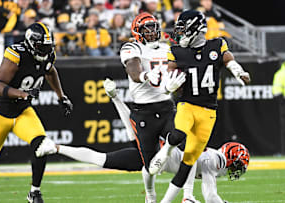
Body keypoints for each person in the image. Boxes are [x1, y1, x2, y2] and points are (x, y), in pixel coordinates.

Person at [37, 78, 250, 203]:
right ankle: (152, 195)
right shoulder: (216, 161)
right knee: (130, 148)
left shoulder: (212, 156)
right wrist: (189, 195)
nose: (235, 171)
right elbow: (210, 194)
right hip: (160, 153)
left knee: (106, 156)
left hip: (157, 155)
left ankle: (56, 147)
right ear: (230, 158)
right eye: (237, 166)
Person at [148, 10, 251, 203]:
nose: (178, 34)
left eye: (182, 29)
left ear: (195, 28)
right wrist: (168, 86)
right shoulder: (176, 51)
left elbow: (228, 58)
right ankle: (165, 151)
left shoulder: (217, 45)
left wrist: (237, 70)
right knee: (179, 133)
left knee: (187, 164)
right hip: (187, 104)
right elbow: (169, 73)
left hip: (208, 112)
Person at [0, 22, 73, 203]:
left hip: (22, 111)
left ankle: (34, 192)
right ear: (32, 43)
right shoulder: (17, 54)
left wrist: (61, 97)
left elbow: (50, 72)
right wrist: (21, 93)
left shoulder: (47, 56)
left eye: (48, 47)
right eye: (42, 47)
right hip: (0, 113)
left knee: (42, 147)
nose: (46, 51)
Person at [118, 12, 186, 203]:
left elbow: (178, 73)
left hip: (166, 106)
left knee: (185, 144)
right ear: (137, 32)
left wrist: (174, 86)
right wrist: (146, 76)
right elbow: (133, 70)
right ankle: (150, 195)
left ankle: (188, 196)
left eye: (153, 28)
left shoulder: (167, 48)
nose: (151, 33)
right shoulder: (131, 47)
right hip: (143, 111)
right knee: (149, 165)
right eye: (146, 30)